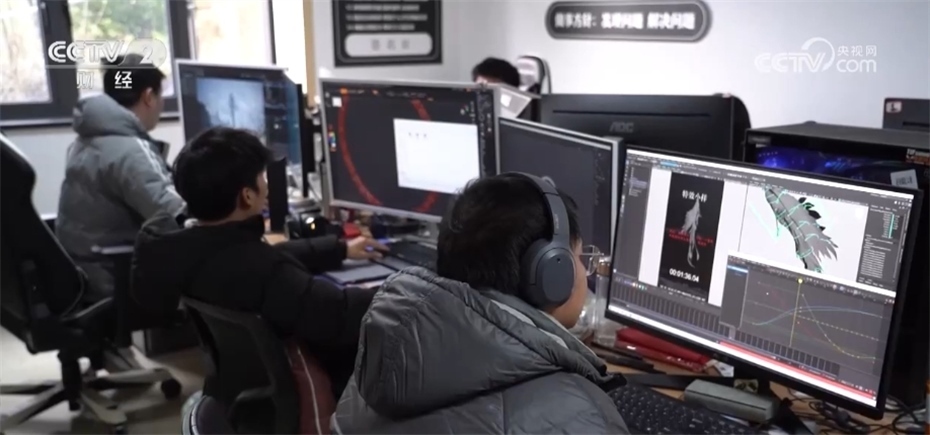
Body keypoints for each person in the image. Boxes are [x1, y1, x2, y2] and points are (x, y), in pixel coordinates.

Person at [333, 174, 630, 433]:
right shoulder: (585, 416)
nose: (584, 270)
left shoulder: (374, 373)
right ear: (552, 272)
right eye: (578, 256)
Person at [131, 126, 387, 400]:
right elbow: (338, 315)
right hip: (316, 391)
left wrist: (338, 249)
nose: (266, 185)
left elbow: (263, 256)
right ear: (247, 195)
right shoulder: (262, 269)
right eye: (261, 177)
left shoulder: (188, 247)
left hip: (241, 393)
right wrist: (403, 286)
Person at [57, 54, 184, 303]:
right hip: (115, 282)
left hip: (81, 274)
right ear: (149, 96)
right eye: (161, 96)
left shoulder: (84, 141)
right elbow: (175, 214)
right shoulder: (131, 150)